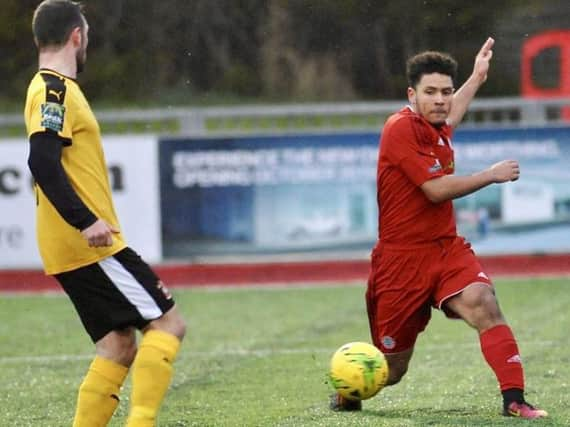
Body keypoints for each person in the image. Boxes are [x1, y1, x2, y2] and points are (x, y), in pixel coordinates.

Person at [330, 38, 548, 419]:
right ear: (412, 94)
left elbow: (452, 117)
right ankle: (350, 390)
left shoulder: (436, 126)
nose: (441, 100)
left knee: (484, 303)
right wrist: (490, 175)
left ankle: (514, 400)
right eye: (430, 92)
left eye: (446, 92)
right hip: (400, 261)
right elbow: (434, 191)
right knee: (392, 369)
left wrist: (477, 78)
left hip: (446, 249)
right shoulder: (399, 129)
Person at [24, 1, 186, 425]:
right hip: (89, 244)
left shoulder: (57, 89)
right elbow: (42, 162)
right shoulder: (53, 90)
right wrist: (87, 221)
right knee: (168, 325)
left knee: (117, 346)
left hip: (72, 246)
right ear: (77, 36)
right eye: (88, 35)